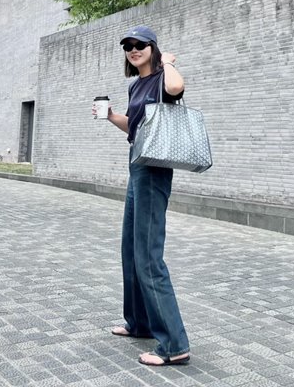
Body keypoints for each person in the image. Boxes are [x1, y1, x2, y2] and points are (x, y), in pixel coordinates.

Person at [107, 24, 191, 367]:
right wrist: (111, 116)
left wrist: (167, 62)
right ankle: (139, 322)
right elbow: (134, 125)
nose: (133, 49)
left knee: (148, 255)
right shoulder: (136, 85)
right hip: (137, 163)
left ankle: (174, 344)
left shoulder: (161, 78)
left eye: (140, 44)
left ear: (152, 48)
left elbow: (176, 87)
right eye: (128, 45)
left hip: (155, 169)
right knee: (130, 248)